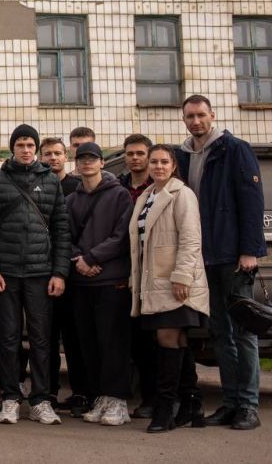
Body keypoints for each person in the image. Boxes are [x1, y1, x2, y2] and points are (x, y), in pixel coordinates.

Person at [175, 95, 265, 431]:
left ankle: (248, 406)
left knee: (243, 332)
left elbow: (252, 202)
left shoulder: (234, 149)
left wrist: (249, 250)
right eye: (190, 116)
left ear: (212, 115)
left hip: (233, 256)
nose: (195, 121)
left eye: (201, 115)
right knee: (220, 333)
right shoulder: (183, 155)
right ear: (184, 119)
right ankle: (230, 402)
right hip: (204, 258)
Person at [0, 124, 70, 426]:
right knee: (8, 339)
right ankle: (10, 398)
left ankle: (41, 400)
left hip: (41, 273)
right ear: (12, 148)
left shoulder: (51, 181)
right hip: (6, 273)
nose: (26, 150)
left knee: (42, 339)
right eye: (20, 145)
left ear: (36, 148)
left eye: (30, 145)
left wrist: (60, 272)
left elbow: (62, 230)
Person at [130, 144, 211, 433]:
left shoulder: (182, 194)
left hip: (175, 281)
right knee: (176, 342)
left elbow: (191, 239)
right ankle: (192, 403)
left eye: (164, 162)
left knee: (167, 339)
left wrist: (182, 277)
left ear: (174, 165)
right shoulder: (147, 196)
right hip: (154, 281)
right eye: (154, 162)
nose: (158, 166)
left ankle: (165, 409)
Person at [66, 142, 133, 427]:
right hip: (81, 282)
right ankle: (100, 398)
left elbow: (122, 236)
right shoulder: (71, 200)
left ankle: (118, 400)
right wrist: (78, 259)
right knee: (89, 343)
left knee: (113, 343)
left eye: (92, 158)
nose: (87, 163)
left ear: (102, 163)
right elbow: (63, 236)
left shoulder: (120, 195)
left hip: (111, 280)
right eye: (82, 159)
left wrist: (92, 258)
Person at [39, 136, 86, 415]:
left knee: (74, 336)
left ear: (66, 156)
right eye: (48, 154)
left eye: (57, 153)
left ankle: (80, 392)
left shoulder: (77, 187)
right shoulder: (36, 186)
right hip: (41, 271)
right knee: (46, 336)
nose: (53, 158)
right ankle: (49, 391)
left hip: (72, 272)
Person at [119, 134, 156, 419]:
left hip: (153, 271)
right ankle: (140, 395)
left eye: (140, 153)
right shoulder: (119, 187)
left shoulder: (159, 188)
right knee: (131, 339)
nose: (135, 158)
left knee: (155, 338)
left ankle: (156, 398)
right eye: (130, 153)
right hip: (125, 272)